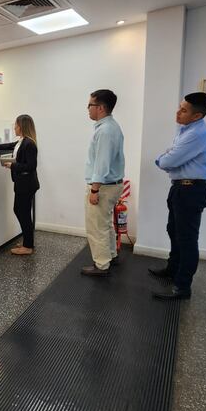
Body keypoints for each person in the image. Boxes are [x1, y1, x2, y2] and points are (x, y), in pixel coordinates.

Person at [150, 92, 206, 300]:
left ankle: (182, 287)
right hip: (181, 188)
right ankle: (173, 269)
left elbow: (168, 160)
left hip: (191, 190)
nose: (178, 112)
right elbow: (172, 155)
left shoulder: (196, 134)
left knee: (187, 239)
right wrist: (168, 158)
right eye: (179, 107)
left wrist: (164, 160)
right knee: (174, 231)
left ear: (197, 116)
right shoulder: (185, 130)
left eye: (183, 110)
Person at [82, 89, 125, 277]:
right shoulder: (111, 127)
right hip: (112, 185)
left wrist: (94, 190)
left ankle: (101, 265)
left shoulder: (105, 131)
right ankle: (111, 256)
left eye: (90, 105)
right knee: (105, 223)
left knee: (96, 227)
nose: (88, 108)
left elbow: (102, 164)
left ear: (100, 107)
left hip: (103, 187)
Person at [0, 115, 39, 255]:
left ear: (22, 126)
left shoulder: (29, 144)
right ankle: (28, 242)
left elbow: (31, 166)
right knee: (22, 212)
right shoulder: (21, 141)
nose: (14, 127)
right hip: (22, 183)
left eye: (16, 125)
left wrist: (13, 165)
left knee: (22, 212)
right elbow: (8, 145)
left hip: (26, 184)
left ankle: (27, 246)